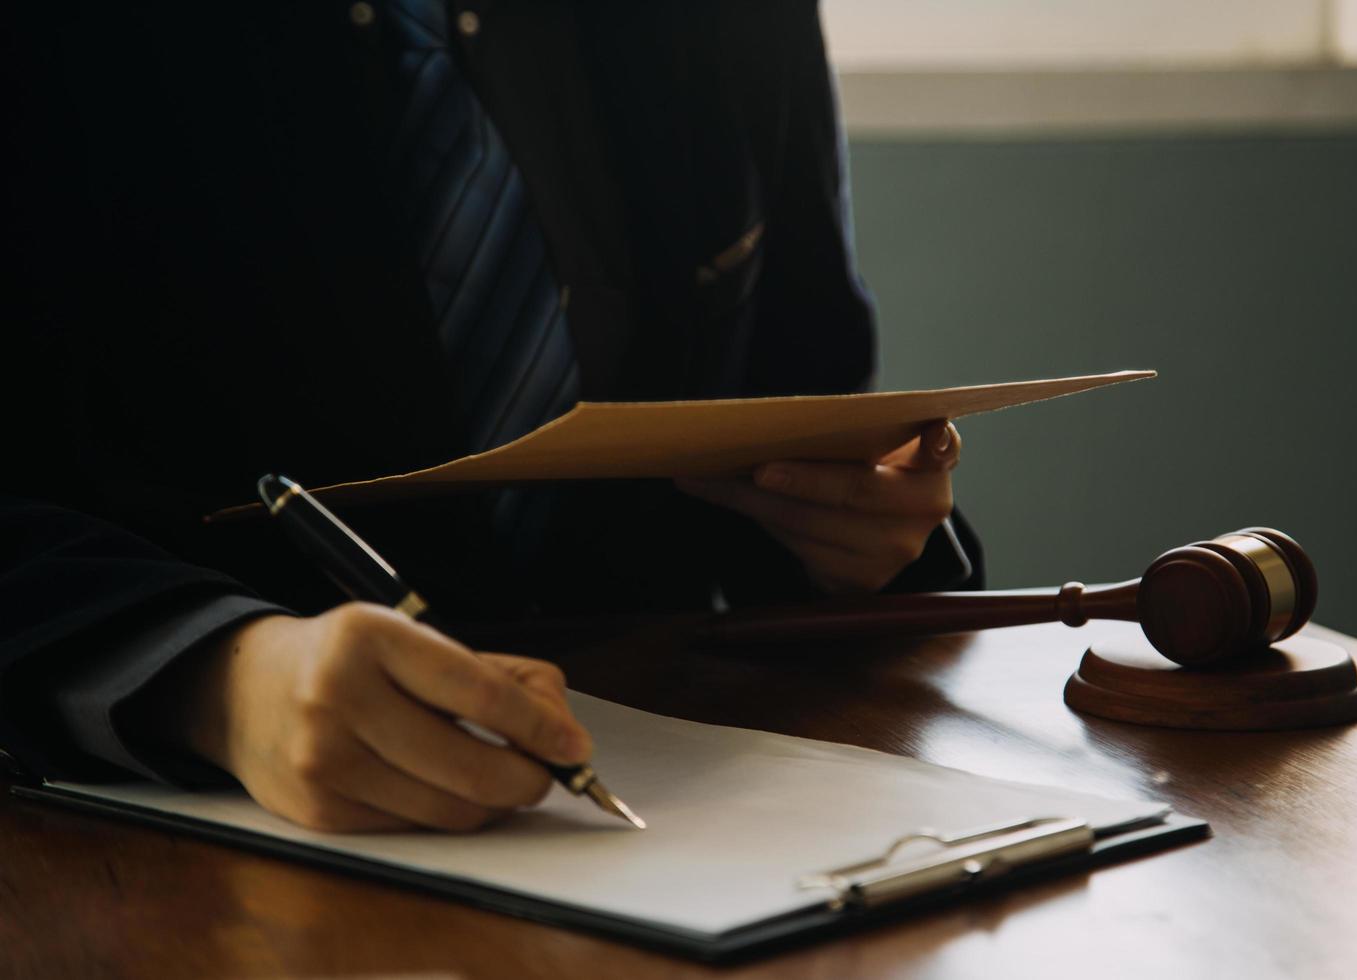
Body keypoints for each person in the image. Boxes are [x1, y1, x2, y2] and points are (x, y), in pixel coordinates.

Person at [0, 0, 982, 832]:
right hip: (149, 825)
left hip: (680, 806)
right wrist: (211, 676)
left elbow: (807, 405)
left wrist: (864, 532)